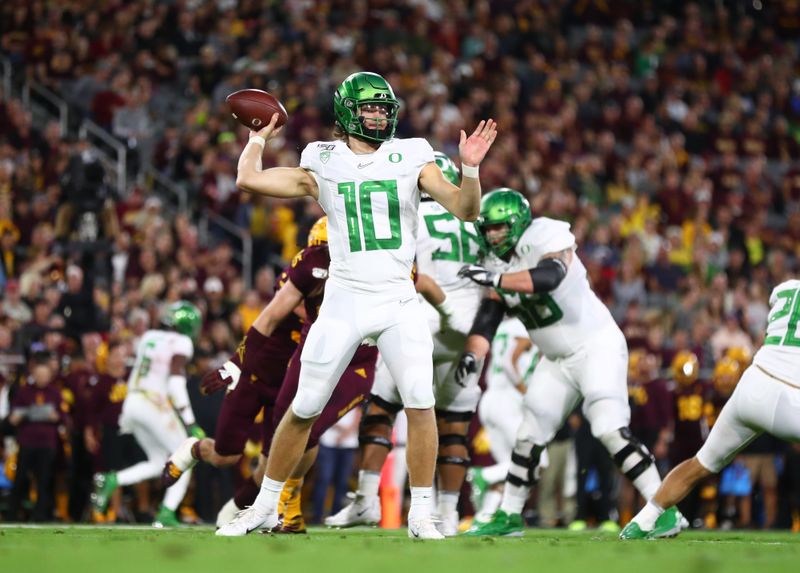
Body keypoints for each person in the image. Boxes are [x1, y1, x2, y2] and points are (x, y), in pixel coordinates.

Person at [216, 71, 496, 539]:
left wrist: (469, 169)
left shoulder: (412, 154)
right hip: (344, 300)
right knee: (302, 408)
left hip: (398, 298)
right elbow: (248, 179)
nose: (380, 115)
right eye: (371, 108)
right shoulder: (322, 160)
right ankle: (265, 506)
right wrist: (257, 139)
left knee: (420, 402)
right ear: (347, 112)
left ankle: (422, 513)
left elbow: (465, 210)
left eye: (386, 108)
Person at [455, 188, 665, 536]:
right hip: (556, 359)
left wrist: (497, 279)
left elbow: (548, 277)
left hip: (595, 345)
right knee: (529, 433)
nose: (493, 236)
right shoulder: (494, 263)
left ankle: (663, 508)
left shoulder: (546, 235)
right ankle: (509, 516)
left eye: (499, 228)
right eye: (487, 229)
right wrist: (473, 353)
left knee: (607, 428)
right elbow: (490, 313)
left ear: (518, 223)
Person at [323, 151, 483, 536]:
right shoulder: (474, 221)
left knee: (381, 410)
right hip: (467, 334)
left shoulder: (410, 213)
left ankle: (365, 500)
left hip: (420, 322)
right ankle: (445, 514)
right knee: (454, 426)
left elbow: (411, 275)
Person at [620, 279, 800, 539]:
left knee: (700, 463)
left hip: (753, 383)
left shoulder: (784, 288)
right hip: (788, 395)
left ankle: (644, 521)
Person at [91, 301, 203, 528]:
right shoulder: (181, 342)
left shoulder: (149, 336)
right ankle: (167, 512)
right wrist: (190, 422)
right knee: (186, 455)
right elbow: (175, 382)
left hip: (131, 403)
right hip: (153, 403)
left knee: (159, 461)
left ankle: (113, 480)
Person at [468, 317, 536, 525]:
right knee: (537, 461)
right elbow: (509, 361)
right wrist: (525, 392)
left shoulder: (503, 326)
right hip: (508, 401)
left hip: (490, 399)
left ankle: (485, 515)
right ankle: (483, 475)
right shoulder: (525, 324)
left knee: (510, 470)